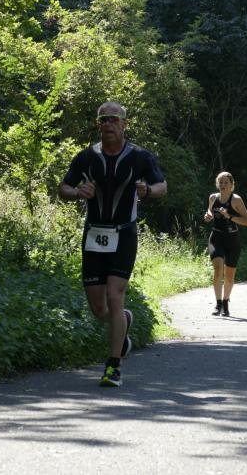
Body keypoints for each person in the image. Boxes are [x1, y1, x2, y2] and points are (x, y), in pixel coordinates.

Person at [58, 102, 166, 387]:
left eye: (114, 119)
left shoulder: (140, 156)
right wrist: (77, 192)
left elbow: (162, 186)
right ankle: (124, 324)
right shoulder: (87, 157)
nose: (108, 124)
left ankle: (113, 366)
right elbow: (63, 188)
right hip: (94, 234)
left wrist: (147, 190)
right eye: (103, 120)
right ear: (98, 125)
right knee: (99, 308)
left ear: (124, 124)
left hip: (124, 234)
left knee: (115, 295)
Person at [203, 172, 247, 316]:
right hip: (216, 237)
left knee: (229, 275)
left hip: (232, 240)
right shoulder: (213, 197)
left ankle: (225, 302)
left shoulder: (236, 200)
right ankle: (218, 304)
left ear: (231, 185)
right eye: (220, 182)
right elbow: (210, 211)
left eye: (226, 182)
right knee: (218, 270)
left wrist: (229, 216)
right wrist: (208, 215)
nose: (223, 185)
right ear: (217, 184)